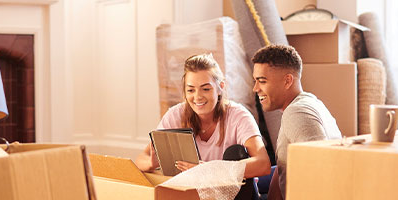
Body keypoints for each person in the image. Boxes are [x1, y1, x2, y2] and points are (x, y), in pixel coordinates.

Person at [135, 53, 271, 199]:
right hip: (193, 196)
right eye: (191, 90)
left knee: (235, 152)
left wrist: (208, 170)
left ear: (220, 88)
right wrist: (150, 164)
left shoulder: (238, 116)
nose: (198, 97)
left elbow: (263, 163)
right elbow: (140, 160)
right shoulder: (175, 116)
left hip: (237, 197)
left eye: (206, 89)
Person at [251, 44, 342, 200]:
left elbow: (320, 173)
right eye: (255, 81)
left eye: (262, 81)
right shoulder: (311, 102)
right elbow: (285, 166)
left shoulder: (297, 113)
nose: (255, 88)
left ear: (287, 81)